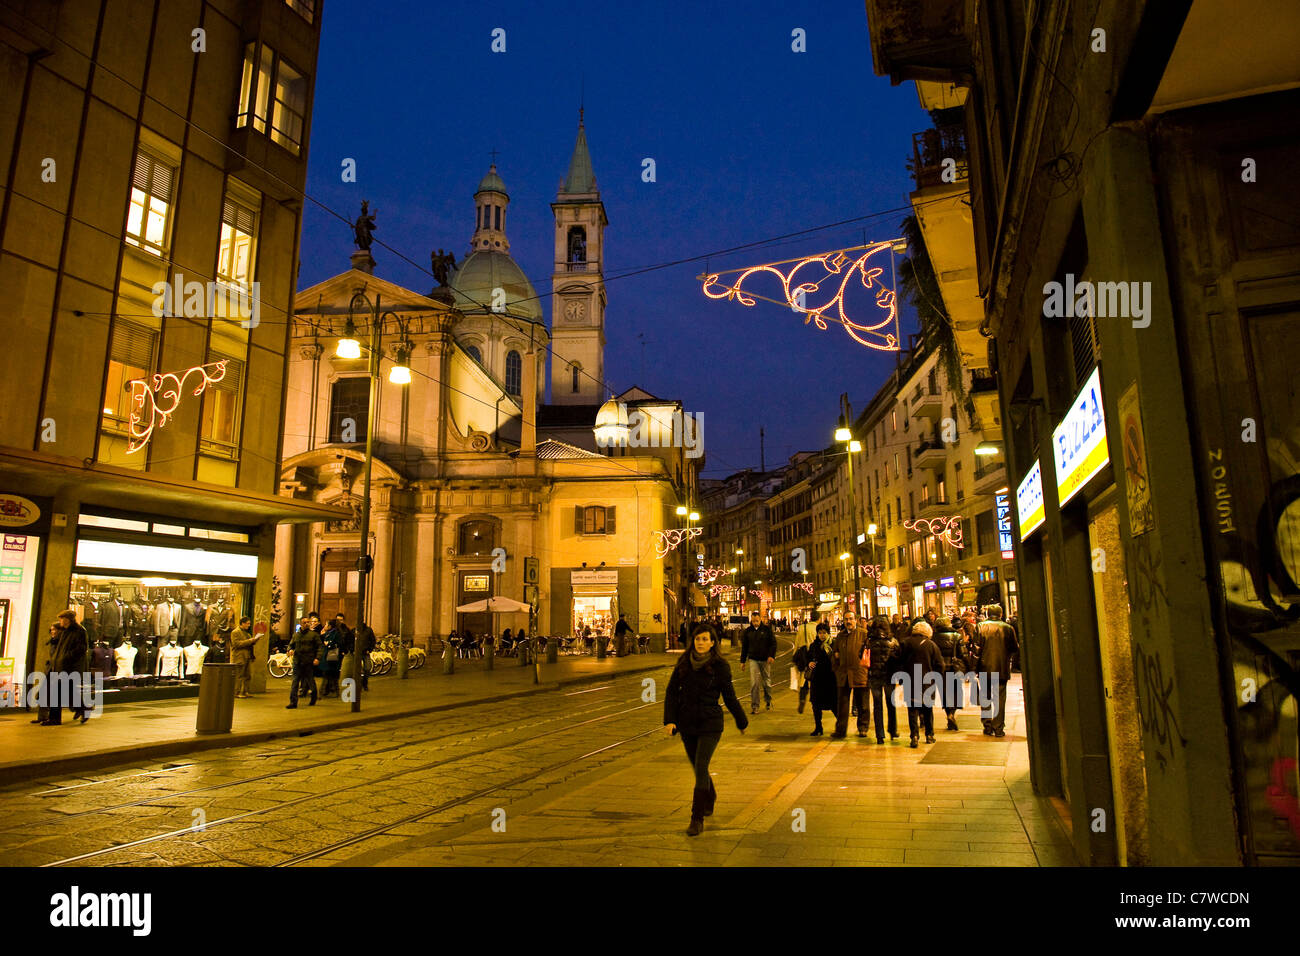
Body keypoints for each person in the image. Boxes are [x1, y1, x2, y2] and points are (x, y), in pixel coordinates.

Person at [663, 622, 748, 836]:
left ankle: (696, 818)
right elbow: (672, 692)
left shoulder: (720, 665)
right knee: (697, 766)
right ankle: (710, 795)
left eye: (705, 639)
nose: (700, 643)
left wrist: (741, 720)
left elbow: (729, 696)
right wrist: (670, 720)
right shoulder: (684, 662)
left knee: (701, 766)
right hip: (687, 722)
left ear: (712, 643)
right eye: (697, 639)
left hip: (710, 723)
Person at [977, 605, 1020, 737]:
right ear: (1001, 614)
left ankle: (987, 724)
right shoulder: (1008, 628)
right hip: (1001, 667)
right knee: (1000, 698)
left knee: (985, 697)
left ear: (988, 614)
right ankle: (998, 726)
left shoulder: (980, 626)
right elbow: (1014, 647)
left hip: (984, 666)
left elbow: (976, 647)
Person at [899, 620, 943, 747]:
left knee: (912, 709)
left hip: (910, 680)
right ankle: (929, 735)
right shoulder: (932, 645)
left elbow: (900, 661)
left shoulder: (905, 643)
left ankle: (914, 736)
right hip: (927, 681)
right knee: (928, 709)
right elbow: (940, 665)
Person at [830, 609, 870, 738]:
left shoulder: (864, 634)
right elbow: (834, 653)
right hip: (843, 674)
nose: (848, 622)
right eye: (846, 619)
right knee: (842, 704)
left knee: (862, 703)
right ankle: (840, 730)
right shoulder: (840, 636)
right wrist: (836, 668)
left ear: (856, 620)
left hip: (860, 673)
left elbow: (869, 653)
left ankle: (863, 728)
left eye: (851, 619)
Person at [866, 616, 901, 743]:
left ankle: (879, 735)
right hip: (889, 676)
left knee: (877, 705)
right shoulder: (893, 641)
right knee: (891, 704)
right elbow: (898, 658)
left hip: (874, 676)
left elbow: (862, 656)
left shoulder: (869, 641)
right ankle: (892, 730)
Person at [738, 609, 776, 714]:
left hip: (765, 659)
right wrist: (742, 661)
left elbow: (773, 643)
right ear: (751, 620)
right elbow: (744, 647)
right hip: (753, 659)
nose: (755, 623)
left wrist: (771, 656)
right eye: (753, 621)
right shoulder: (748, 631)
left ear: (760, 620)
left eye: (757, 621)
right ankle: (755, 706)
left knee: (767, 682)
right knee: (754, 683)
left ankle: (768, 700)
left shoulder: (767, 630)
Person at [932, 616, 964, 731]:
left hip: (940, 669)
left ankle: (948, 714)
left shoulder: (933, 637)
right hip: (954, 667)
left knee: (944, 692)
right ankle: (952, 713)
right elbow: (962, 653)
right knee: (956, 691)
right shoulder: (956, 636)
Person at [805, 622, 837, 736]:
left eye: (824, 633)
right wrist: (809, 662)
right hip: (817, 680)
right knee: (816, 705)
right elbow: (808, 657)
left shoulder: (833, 644)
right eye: (820, 633)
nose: (822, 635)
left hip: (830, 679)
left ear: (828, 633)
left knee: (834, 704)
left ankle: (840, 727)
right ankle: (818, 727)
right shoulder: (814, 645)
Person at [287, 612, 321, 708]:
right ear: (301, 624)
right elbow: (291, 645)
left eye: (308, 622)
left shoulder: (313, 635)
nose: (307, 624)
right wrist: (290, 650)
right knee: (295, 682)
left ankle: (313, 697)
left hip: (308, 661)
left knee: (310, 681)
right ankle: (293, 702)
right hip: (297, 661)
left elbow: (319, 647)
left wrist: (317, 658)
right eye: (305, 622)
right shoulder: (296, 635)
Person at [793, 611, 820, 713]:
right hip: (814, 656)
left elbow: (797, 643)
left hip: (804, 657)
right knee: (815, 679)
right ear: (818, 619)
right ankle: (815, 701)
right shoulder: (818, 628)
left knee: (804, 679)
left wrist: (795, 656)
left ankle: (802, 698)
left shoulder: (802, 627)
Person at [230, 616, 257, 698]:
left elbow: (249, 643)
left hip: (247, 656)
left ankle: (245, 691)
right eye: (248, 624)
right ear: (243, 623)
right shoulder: (235, 632)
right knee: (239, 675)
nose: (249, 625)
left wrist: (254, 640)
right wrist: (250, 641)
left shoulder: (247, 633)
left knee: (247, 675)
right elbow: (236, 644)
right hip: (239, 656)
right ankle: (236, 692)